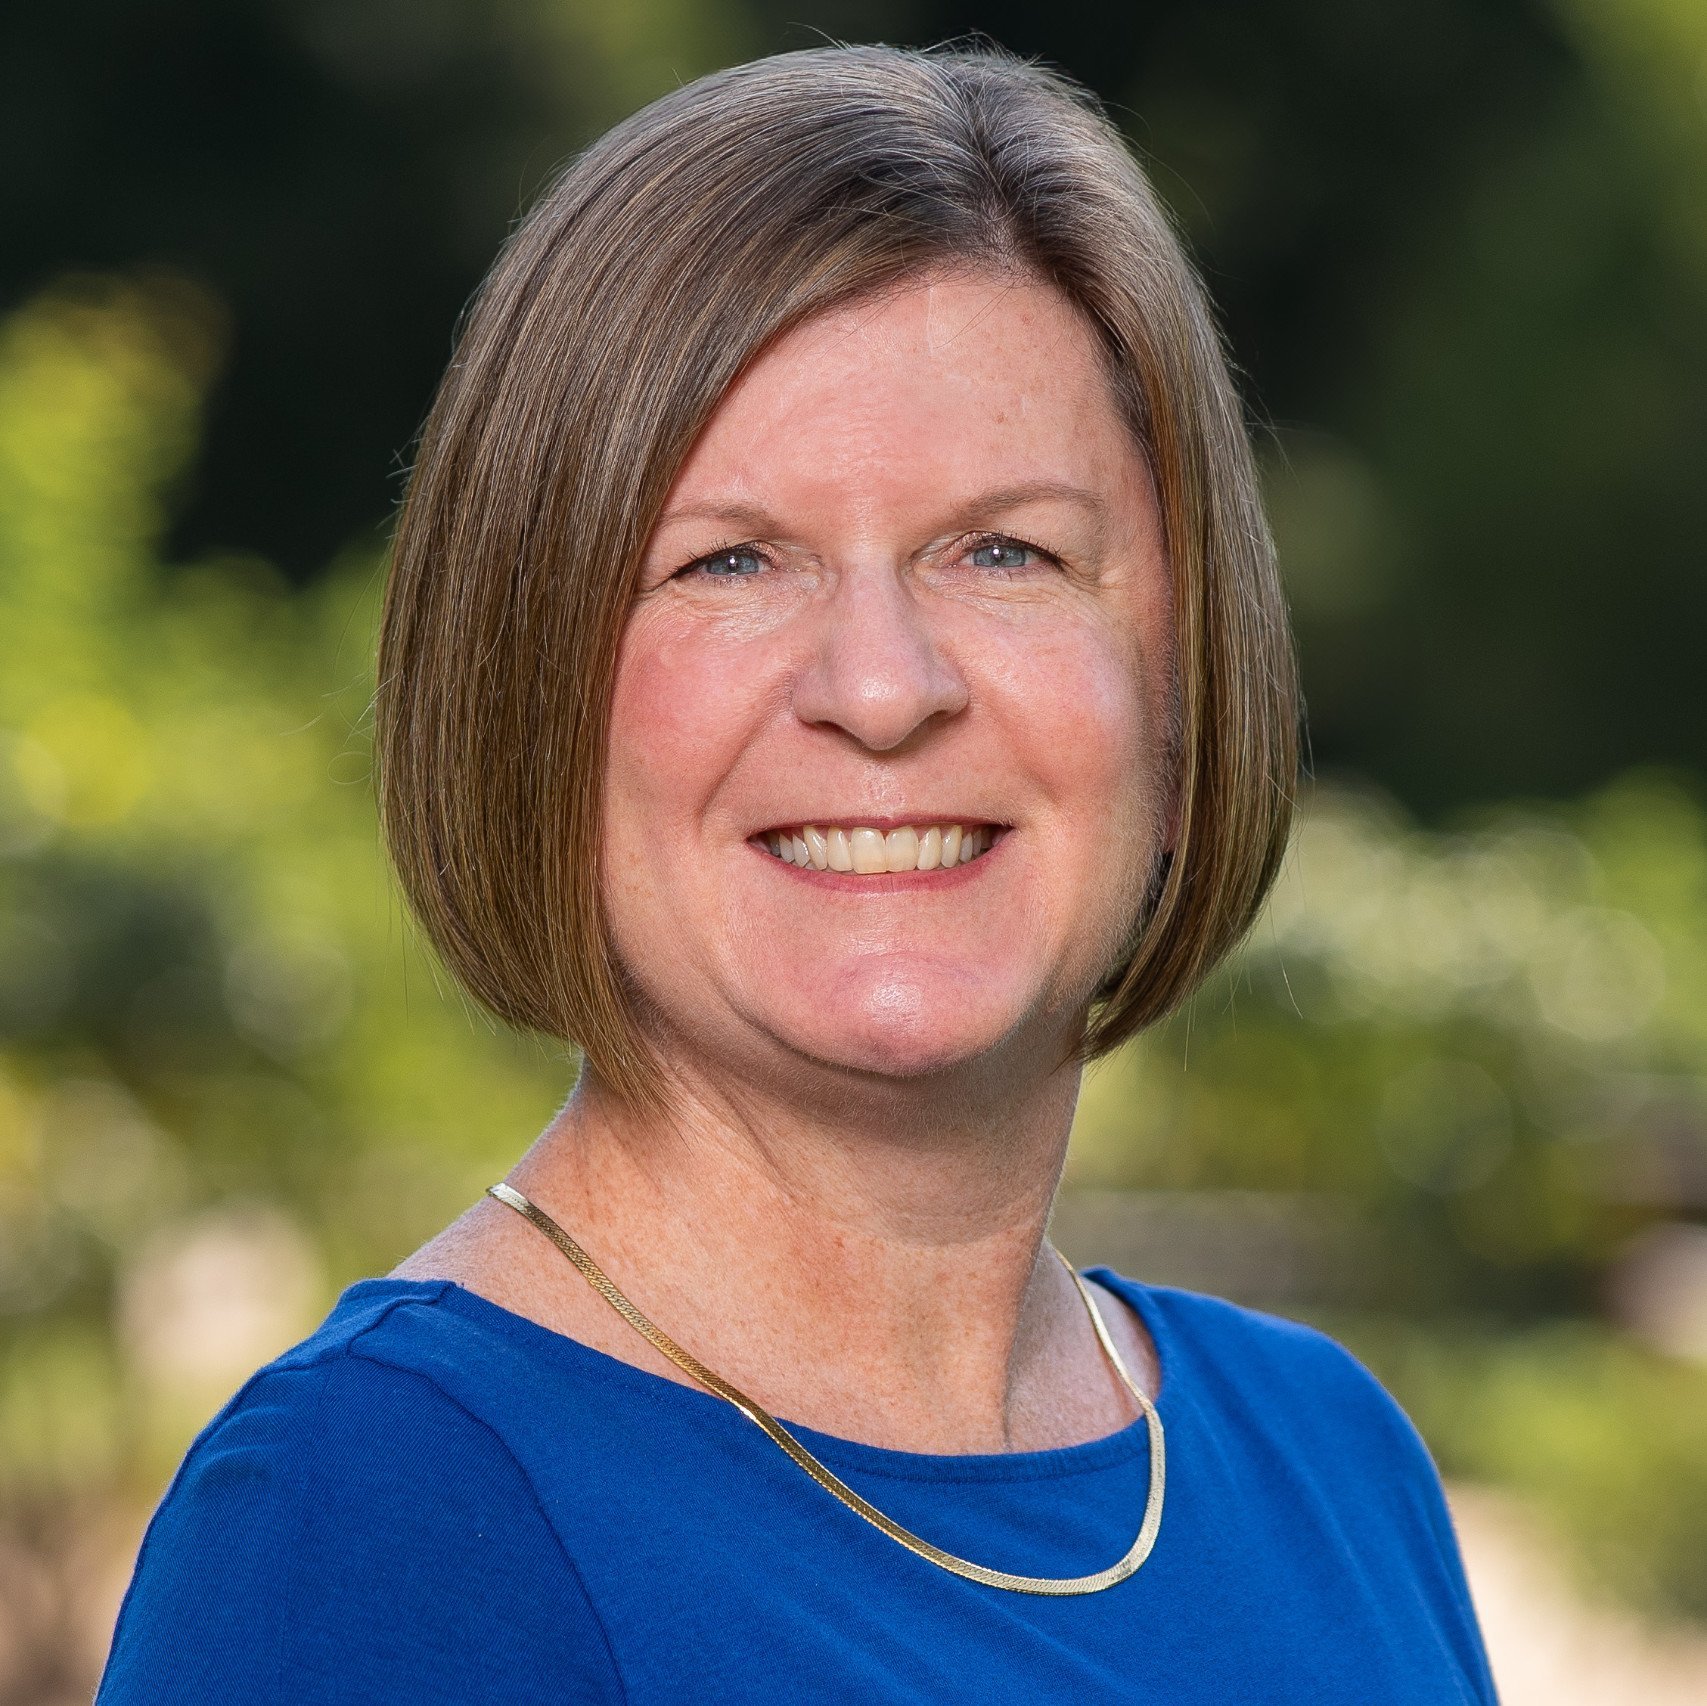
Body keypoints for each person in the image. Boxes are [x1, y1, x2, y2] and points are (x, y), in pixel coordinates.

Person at [95, 43, 1496, 1704]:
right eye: (732, 559)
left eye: (1007, 551)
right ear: (527, 675)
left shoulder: (1331, 1463)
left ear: (1185, 684)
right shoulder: (379, 1514)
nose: (886, 686)